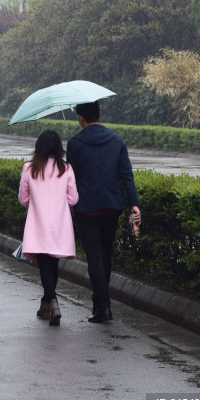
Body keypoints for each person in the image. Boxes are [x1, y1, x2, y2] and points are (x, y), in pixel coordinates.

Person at [66, 100, 140, 324]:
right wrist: (133, 204)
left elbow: (71, 179)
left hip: (87, 207)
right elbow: (126, 175)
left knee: (94, 257)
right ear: (100, 113)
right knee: (106, 255)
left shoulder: (75, 144)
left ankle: (103, 305)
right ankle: (100, 304)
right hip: (112, 206)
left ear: (80, 118)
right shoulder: (117, 141)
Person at [18, 130, 78, 326]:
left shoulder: (29, 168)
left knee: (44, 264)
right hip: (60, 224)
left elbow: (23, 199)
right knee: (52, 264)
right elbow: (73, 199)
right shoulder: (66, 168)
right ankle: (46, 304)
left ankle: (52, 302)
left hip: (38, 224)